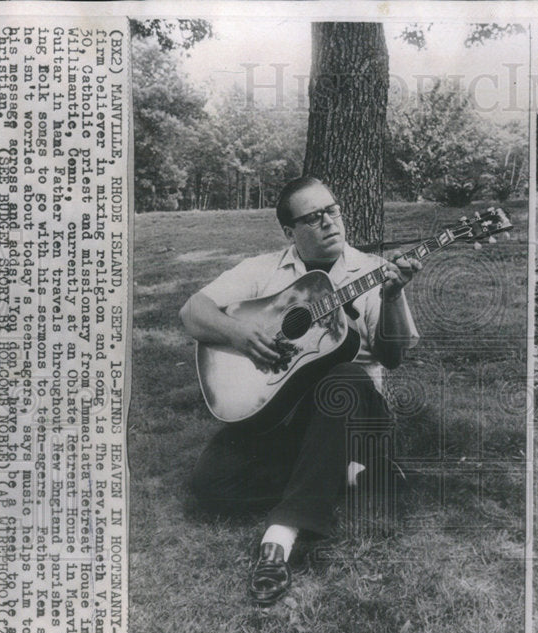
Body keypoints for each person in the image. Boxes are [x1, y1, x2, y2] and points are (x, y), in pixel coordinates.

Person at [180, 176, 421, 605]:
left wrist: (394, 295)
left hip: (353, 414)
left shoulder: (368, 271)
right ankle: (349, 475)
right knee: (209, 487)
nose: (330, 223)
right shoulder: (263, 270)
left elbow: (394, 355)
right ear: (290, 232)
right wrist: (239, 334)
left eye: (333, 211)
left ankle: (280, 539)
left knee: (343, 376)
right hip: (284, 414)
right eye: (314, 218)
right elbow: (193, 311)